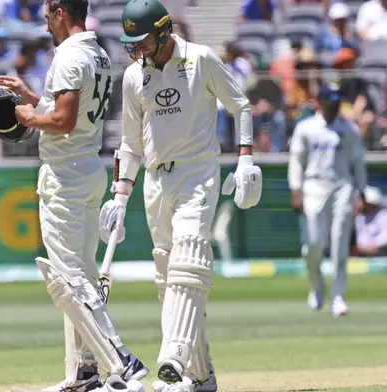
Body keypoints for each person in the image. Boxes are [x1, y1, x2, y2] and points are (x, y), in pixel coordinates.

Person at [99, 0, 263, 391]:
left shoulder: (200, 59)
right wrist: (119, 197)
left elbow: (240, 106)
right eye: (132, 43)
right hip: (156, 181)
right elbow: (129, 144)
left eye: (142, 41)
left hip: (197, 173)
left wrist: (245, 160)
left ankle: (172, 355)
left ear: (163, 31)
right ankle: (201, 376)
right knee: (168, 277)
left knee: (189, 259)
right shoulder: (134, 76)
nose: (137, 50)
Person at [0, 1, 148, 391]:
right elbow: (72, 115)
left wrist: (26, 116)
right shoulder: (96, 52)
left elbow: (60, 122)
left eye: (47, 14)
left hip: (65, 174)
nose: (45, 22)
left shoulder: (68, 57)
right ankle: (84, 372)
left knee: (67, 279)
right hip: (87, 167)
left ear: (61, 12)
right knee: (84, 276)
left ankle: (122, 361)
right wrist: (32, 97)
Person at [288, 83, 367, 319]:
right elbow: (296, 161)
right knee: (313, 244)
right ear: (319, 102)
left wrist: (360, 192)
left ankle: (338, 298)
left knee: (339, 244)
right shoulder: (306, 128)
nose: (334, 105)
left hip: (342, 187)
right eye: (329, 101)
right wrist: (296, 190)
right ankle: (317, 285)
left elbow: (358, 162)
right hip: (313, 187)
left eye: (336, 101)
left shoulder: (349, 129)